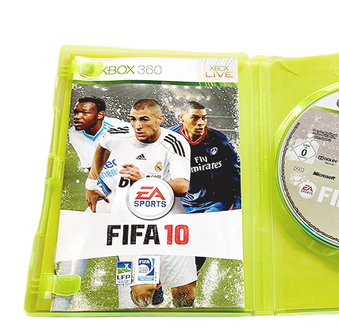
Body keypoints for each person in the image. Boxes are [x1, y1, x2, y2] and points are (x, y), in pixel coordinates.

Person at [86, 99, 197, 308]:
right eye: (133, 119)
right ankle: (142, 305)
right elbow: (102, 148)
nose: (137, 125)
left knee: (185, 295)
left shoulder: (174, 142)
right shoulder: (117, 135)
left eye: (144, 119)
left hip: (170, 224)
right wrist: (91, 184)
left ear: (160, 119)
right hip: (132, 225)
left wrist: (144, 179)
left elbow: (183, 186)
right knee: (142, 292)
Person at [51, 97, 126, 311]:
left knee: (125, 247)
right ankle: (59, 306)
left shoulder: (121, 129)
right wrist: (95, 186)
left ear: (100, 115)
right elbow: (91, 166)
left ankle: (129, 306)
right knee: (77, 241)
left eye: (84, 112)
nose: (77, 116)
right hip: (108, 195)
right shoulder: (74, 134)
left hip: (134, 198)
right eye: (76, 112)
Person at [168, 100, 241, 273]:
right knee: (176, 244)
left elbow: (238, 174)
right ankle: (164, 280)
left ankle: (191, 271)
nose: (201, 123)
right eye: (195, 118)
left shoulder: (220, 140)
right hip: (185, 203)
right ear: (182, 118)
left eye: (204, 118)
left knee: (205, 233)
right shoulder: (169, 139)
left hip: (217, 200)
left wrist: (238, 210)